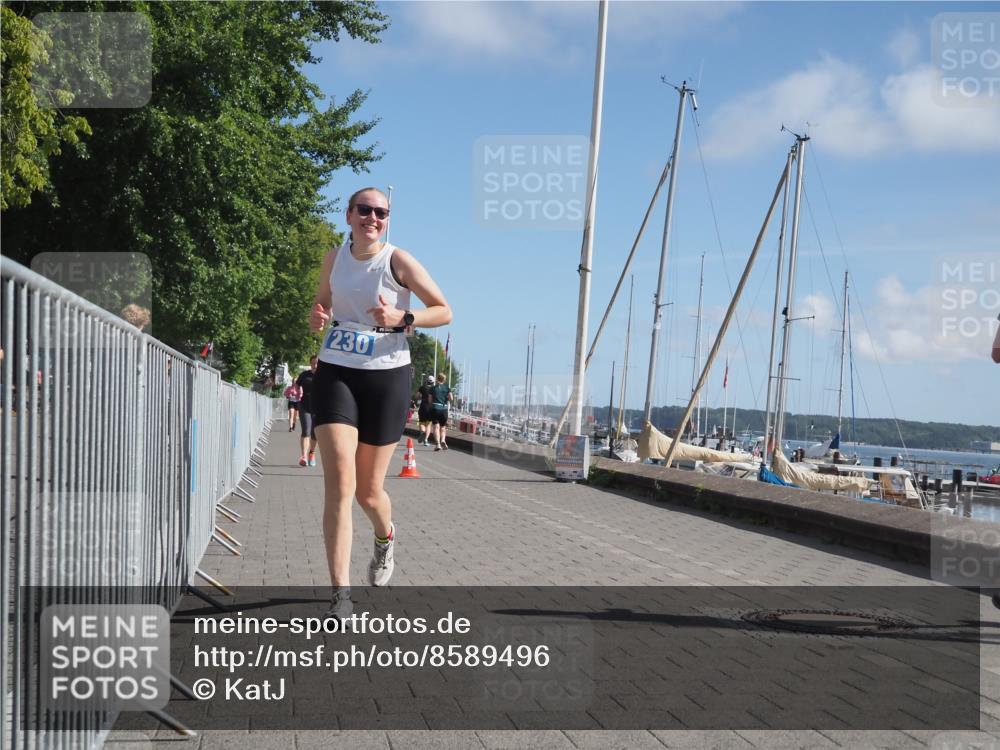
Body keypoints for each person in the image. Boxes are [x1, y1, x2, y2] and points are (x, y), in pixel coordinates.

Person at [309, 187, 451, 619]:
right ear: (349, 214)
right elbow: (322, 305)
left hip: (386, 377)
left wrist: (403, 318)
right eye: (365, 210)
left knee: (369, 494)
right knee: (340, 486)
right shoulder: (334, 258)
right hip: (336, 371)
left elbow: (443, 310)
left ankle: (385, 537)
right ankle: (340, 594)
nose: (373, 217)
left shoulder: (397, 260)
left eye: (381, 212)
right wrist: (317, 317)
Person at [296, 357, 318, 466]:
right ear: (310, 364)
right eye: (313, 363)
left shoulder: (324, 376)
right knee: (306, 431)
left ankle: (312, 453)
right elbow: (297, 384)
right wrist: (298, 391)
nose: (315, 365)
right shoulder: (304, 374)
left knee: (315, 434)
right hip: (304, 405)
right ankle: (303, 456)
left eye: (317, 363)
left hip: (318, 408)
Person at [430, 372, 452, 451]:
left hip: (435, 408)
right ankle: (443, 440)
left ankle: (438, 444)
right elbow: (451, 398)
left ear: (437, 378)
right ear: (444, 379)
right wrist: (445, 398)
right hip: (444, 409)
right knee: (443, 427)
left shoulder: (433, 388)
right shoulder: (447, 388)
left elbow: (430, 400)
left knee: (436, 427)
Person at [416, 375, 435, 445]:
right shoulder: (434, 388)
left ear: (427, 381)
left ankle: (422, 432)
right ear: (433, 382)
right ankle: (426, 440)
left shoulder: (422, 387)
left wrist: (421, 396)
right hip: (431, 408)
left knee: (422, 423)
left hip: (423, 407)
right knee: (429, 425)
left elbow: (417, 396)